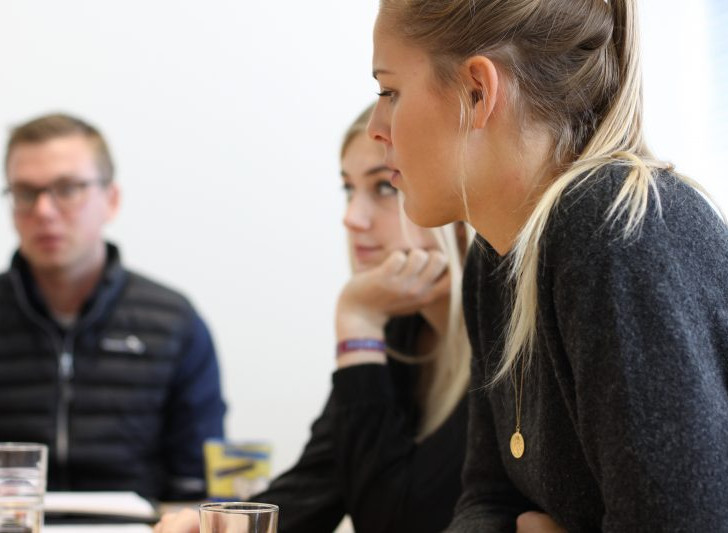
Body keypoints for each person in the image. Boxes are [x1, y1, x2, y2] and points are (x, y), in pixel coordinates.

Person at [367, 0, 728, 531]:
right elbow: (488, 501)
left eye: (389, 91)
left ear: (477, 91)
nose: (378, 127)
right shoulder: (494, 260)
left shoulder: (614, 230)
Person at [154, 104, 472, 533]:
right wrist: (214, 524)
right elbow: (314, 489)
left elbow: (395, 522)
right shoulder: (398, 331)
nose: (351, 218)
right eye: (348, 189)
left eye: (384, 187)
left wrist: (357, 325)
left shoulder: (502, 342)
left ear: (457, 196)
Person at [0, 113, 226, 500]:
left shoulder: (173, 322)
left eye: (67, 189)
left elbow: (199, 483)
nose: (43, 211)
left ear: (112, 200)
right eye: (24, 192)